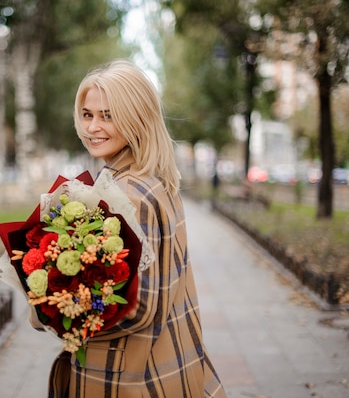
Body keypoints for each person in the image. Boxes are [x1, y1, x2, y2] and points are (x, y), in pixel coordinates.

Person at [46, 59, 227, 398]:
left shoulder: (127, 196)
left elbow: (137, 306)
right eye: (87, 115)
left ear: (136, 118)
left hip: (128, 376)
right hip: (165, 360)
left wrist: (56, 308)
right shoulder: (151, 181)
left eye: (108, 115)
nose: (93, 127)